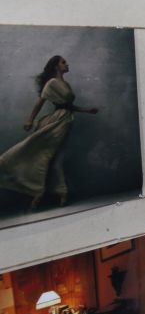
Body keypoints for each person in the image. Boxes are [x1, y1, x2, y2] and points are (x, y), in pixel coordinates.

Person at [0, 56, 98, 210]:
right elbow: (40, 103)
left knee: (56, 156)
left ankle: (53, 192)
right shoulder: (51, 83)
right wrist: (30, 120)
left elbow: (68, 106)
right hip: (57, 121)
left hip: (65, 121)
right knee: (46, 154)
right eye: (63, 62)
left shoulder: (66, 84)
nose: (67, 64)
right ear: (56, 66)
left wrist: (87, 110)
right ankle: (38, 191)